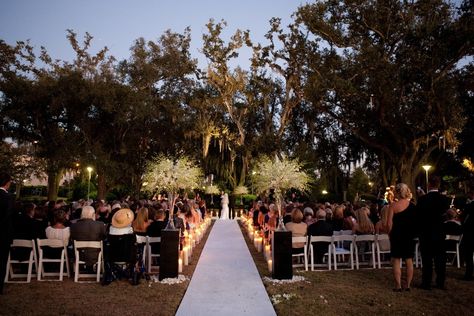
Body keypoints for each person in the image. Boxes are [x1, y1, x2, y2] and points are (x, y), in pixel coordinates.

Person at [416, 176, 450, 290]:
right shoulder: (444, 199)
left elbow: (419, 217)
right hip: (439, 232)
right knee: (440, 259)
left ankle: (426, 282)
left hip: (426, 232)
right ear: (438, 185)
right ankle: (440, 282)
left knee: (427, 259)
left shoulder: (422, 199)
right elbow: (446, 215)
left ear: (429, 184)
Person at [387, 183, 417, 291]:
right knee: (409, 260)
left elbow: (389, 224)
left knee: (396, 260)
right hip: (409, 236)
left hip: (397, 235)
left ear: (397, 193)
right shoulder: (413, 206)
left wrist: (389, 234)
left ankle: (398, 285)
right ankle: (408, 285)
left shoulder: (393, 206)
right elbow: (416, 223)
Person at [0, 173, 14, 294]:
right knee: (2, 261)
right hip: (3, 235)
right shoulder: (8, 197)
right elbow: (7, 216)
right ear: (7, 183)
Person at [462, 187, 474, 281]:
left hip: (470, 233)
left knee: (469, 254)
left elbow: (464, 218)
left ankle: (469, 274)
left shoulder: (470, 205)